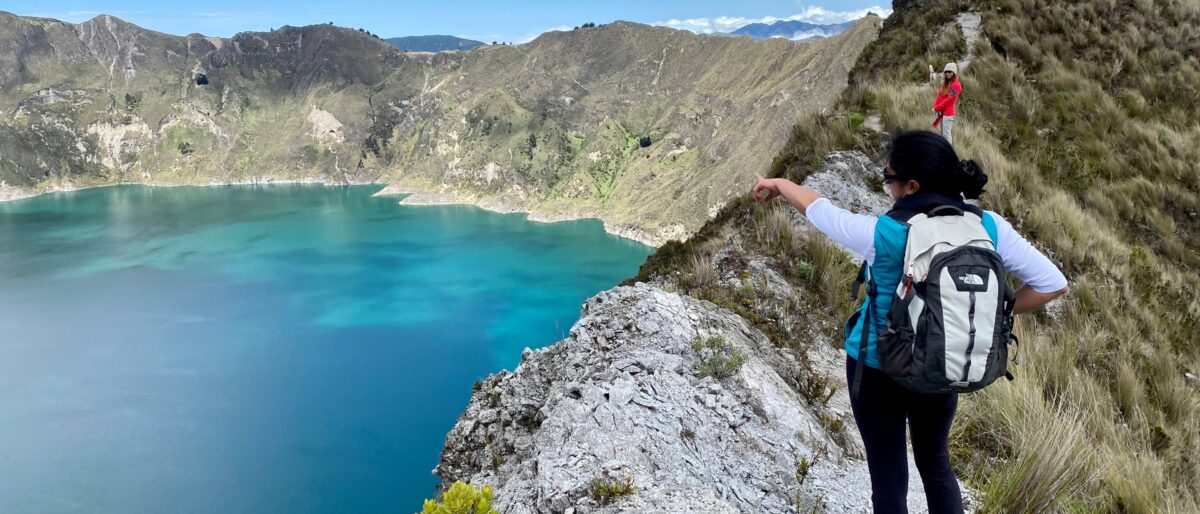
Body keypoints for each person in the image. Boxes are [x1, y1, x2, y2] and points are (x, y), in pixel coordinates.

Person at [751, 131, 1068, 513]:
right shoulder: (990, 227)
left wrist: (780, 184)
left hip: (876, 366)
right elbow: (1053, 284)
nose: (887, 186)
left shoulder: (885, 233)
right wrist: (986, 313)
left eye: (889, 178)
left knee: (888, 478)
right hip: (941, 362)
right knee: (936, 464)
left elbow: (821, 211)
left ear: (911, 186)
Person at [933, 63, 963, 144]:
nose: (947, 74)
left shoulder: (956, 85)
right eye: (946, 72)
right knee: (941, 134)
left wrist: (937, 108)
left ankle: (948, 152)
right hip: (941, 112)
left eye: (950, 72)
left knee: (946, 134)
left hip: (948, 113)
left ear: (954, 72)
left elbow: (950, 100)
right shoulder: (945, 83)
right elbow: (939, 96)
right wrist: (936, 107)